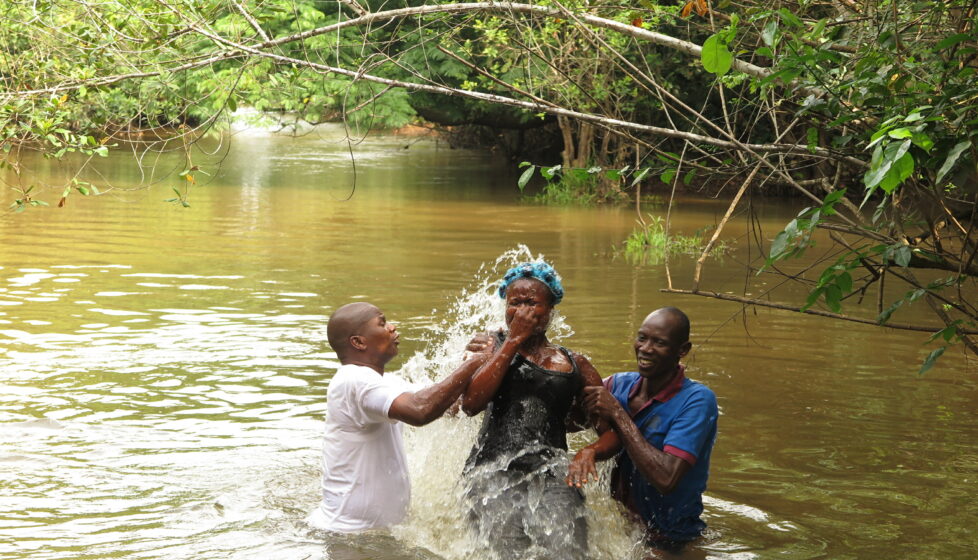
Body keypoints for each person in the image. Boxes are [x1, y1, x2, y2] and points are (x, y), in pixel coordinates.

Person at [459, 261, 604, 560]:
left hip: (551, 473)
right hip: (491, 472)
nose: (522, 311)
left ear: (551, 310)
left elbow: (605, 425)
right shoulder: (489, 348)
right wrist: (513, 340)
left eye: (532, 303)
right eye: (515, 303)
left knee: (570, 553)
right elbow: (471, 404)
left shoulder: (575, 363)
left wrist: (589, 450)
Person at [306, 301, 488, 533]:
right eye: (382, 323)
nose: (392, 327)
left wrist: (478, 361)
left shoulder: (386, 382)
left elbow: (449, 405)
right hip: (346, 535)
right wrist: (474, 363)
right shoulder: (353, 380)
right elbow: (420, 411)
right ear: (358, 342)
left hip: (367, 534)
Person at [566, 307, 718, 552]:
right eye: (642, 338)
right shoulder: (618, 385)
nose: (646, 348)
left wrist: (617, 413)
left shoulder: (697, 400)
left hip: (672, 540)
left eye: (659, 342)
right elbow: (563, 418)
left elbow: (666, 478)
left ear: (683, 350)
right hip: (623, 531)